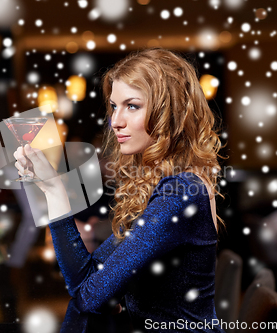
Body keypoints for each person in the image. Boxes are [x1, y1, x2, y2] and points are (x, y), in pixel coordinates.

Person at [13, 47, 227, 332]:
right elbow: (84, 281)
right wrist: (53, 191)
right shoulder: (162, 185)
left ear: (168, 113)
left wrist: (55, 191)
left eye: (132, 106)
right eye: (114, 106)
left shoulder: (181, 191)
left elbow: (89, 298)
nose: (116, 121)